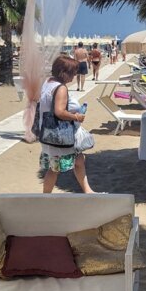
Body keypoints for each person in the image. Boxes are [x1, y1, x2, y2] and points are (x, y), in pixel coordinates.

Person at [38, 55, 94, 194]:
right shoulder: (61, 88)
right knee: (54, 168)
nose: (75, 75)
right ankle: (45, 197)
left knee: (79, 160)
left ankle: (87, 190)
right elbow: (59, 112)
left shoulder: (48, 82)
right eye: (73, 72)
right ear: (65, 73)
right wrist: (76, 116)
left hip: (48, 131)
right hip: (59, 134)